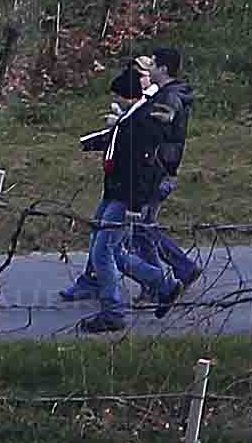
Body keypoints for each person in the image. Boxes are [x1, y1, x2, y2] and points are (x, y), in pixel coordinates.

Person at [69, 59, 186, 333]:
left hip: (126, 193)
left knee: (103, 250)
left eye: (153, 67)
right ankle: (164, 285)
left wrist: (134, 202)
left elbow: (142, 158)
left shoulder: (151, 110)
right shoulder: (140, 108)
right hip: (117, 190)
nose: (149, 71)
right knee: (112, 249)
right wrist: (95, 140)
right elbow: (121, 139)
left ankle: (113, 312)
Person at [121, 49, 205, 296]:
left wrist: (126, 128)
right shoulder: (166, 95)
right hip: (159, 170)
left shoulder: (168, 99)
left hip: (157, 172)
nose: (151, 68)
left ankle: (160, 283)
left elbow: (153, 132)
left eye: (155, 64)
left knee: (141, 229)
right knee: (144, 228)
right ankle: (178, 271)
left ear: (165, 70)